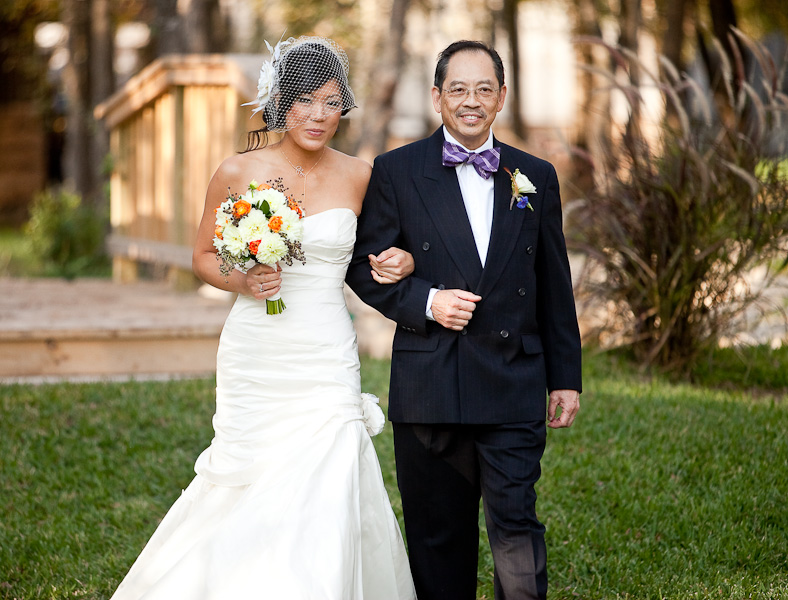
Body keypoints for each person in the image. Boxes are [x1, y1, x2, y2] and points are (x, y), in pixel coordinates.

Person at [109, 36, 417, 600]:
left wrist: (406, 259)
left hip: (324, 347)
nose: (319, 115)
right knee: (247, 480)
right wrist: (244, 280)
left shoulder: (359, 175)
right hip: (258, 348)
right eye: (304, 100)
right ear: (279, 102)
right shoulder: (237, 170)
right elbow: (205, 256)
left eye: (330, 101)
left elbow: (383, 251)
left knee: (333, 464)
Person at [346, 40, 582, 600]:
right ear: (436, 97)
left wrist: (566, 376)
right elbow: (364, 268)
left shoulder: (536, 176)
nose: (470, 101)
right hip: (432, 386)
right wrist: (427, 302)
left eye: (483, 89)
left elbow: (553, 283)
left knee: (516, 531)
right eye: (458, 88)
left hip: (513, 383)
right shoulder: (396, 171)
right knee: (438, 540)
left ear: (501, 97)